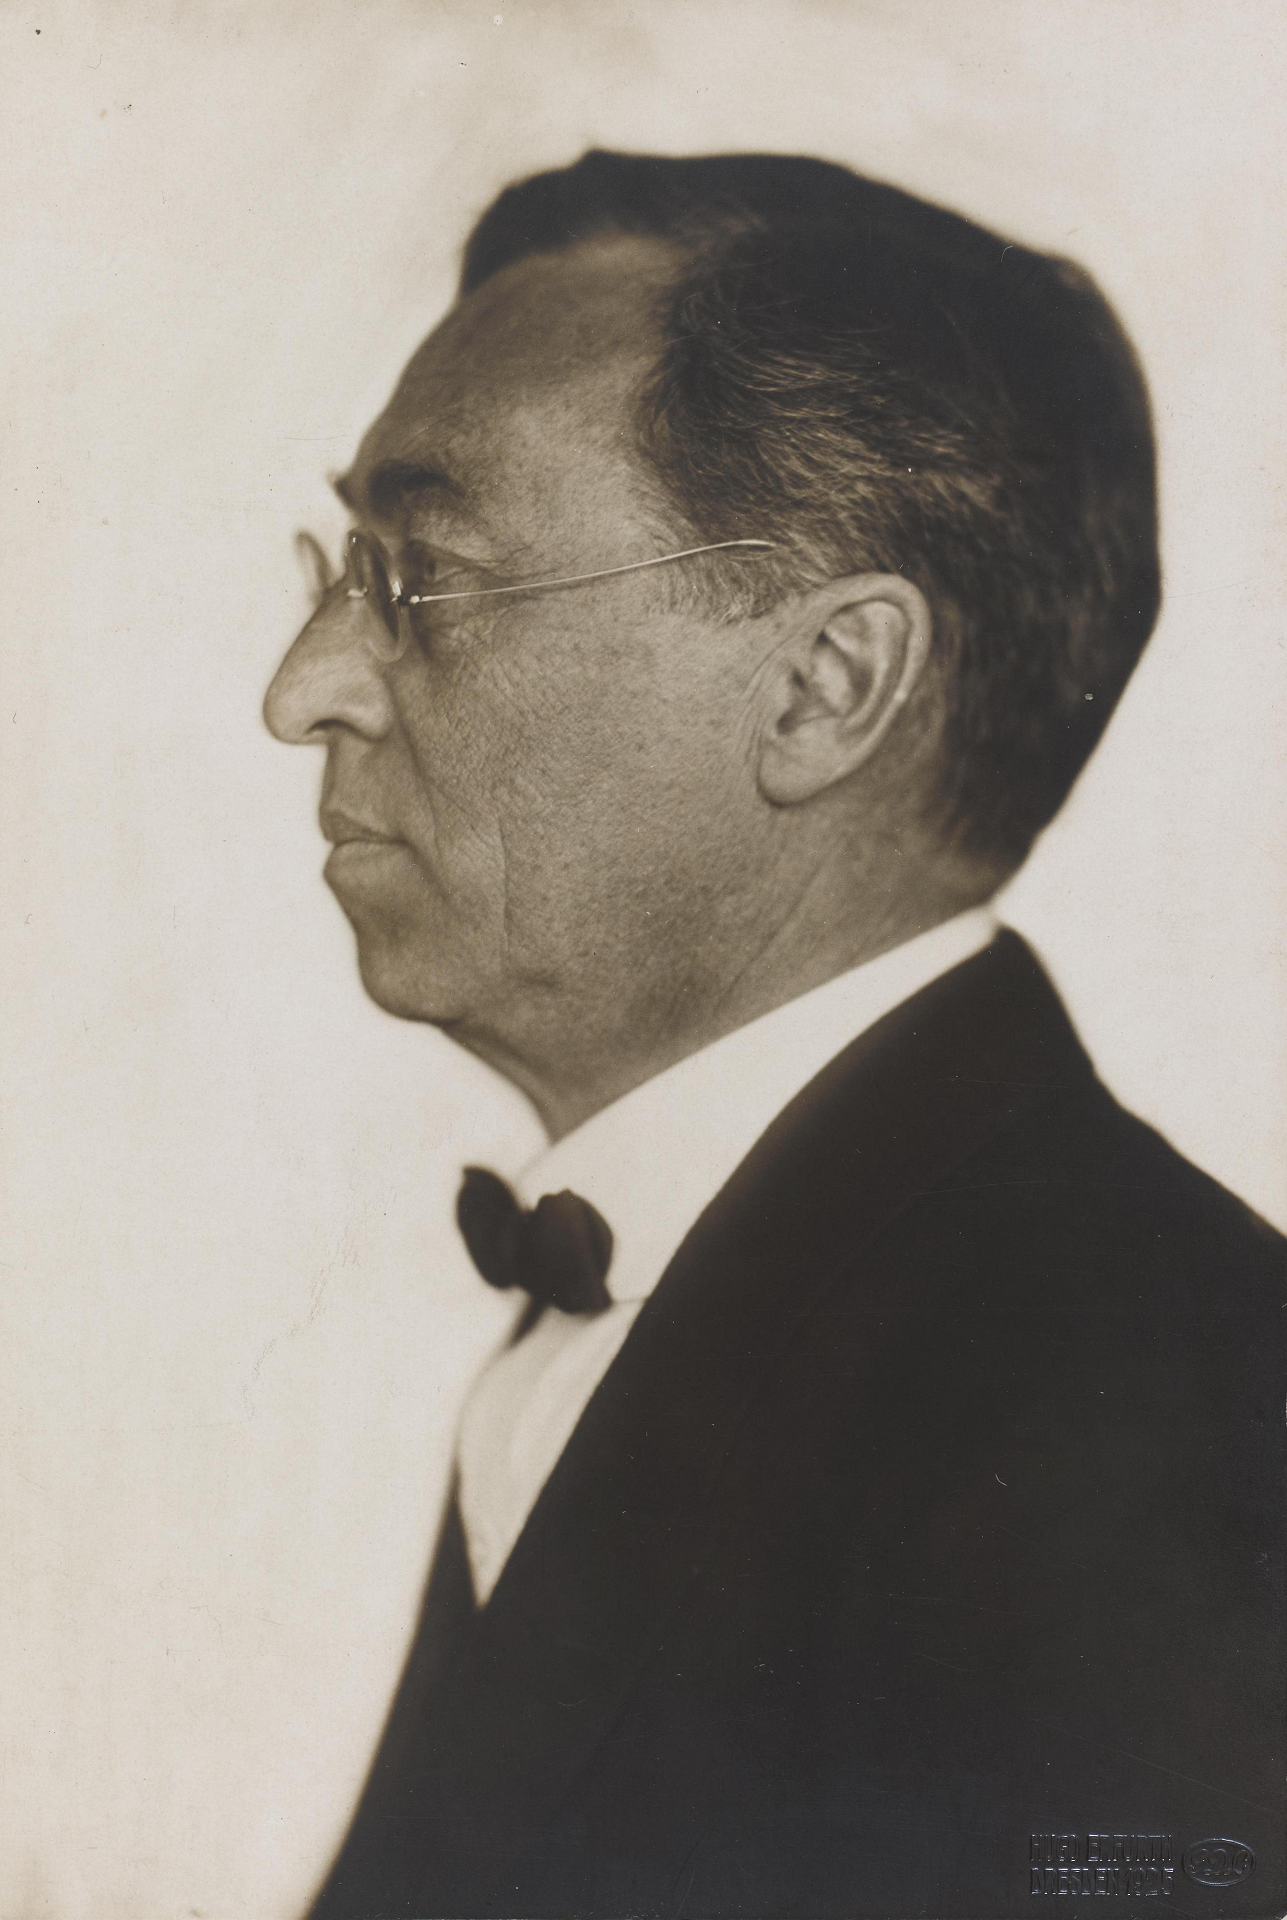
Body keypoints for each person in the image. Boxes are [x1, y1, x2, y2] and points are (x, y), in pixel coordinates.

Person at [264, 150, 1285, 1920]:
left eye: (419, 577)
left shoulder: (1171, 1425)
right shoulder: (864, 1300)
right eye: (339, 566)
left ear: (825, 691)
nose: (306, 685)